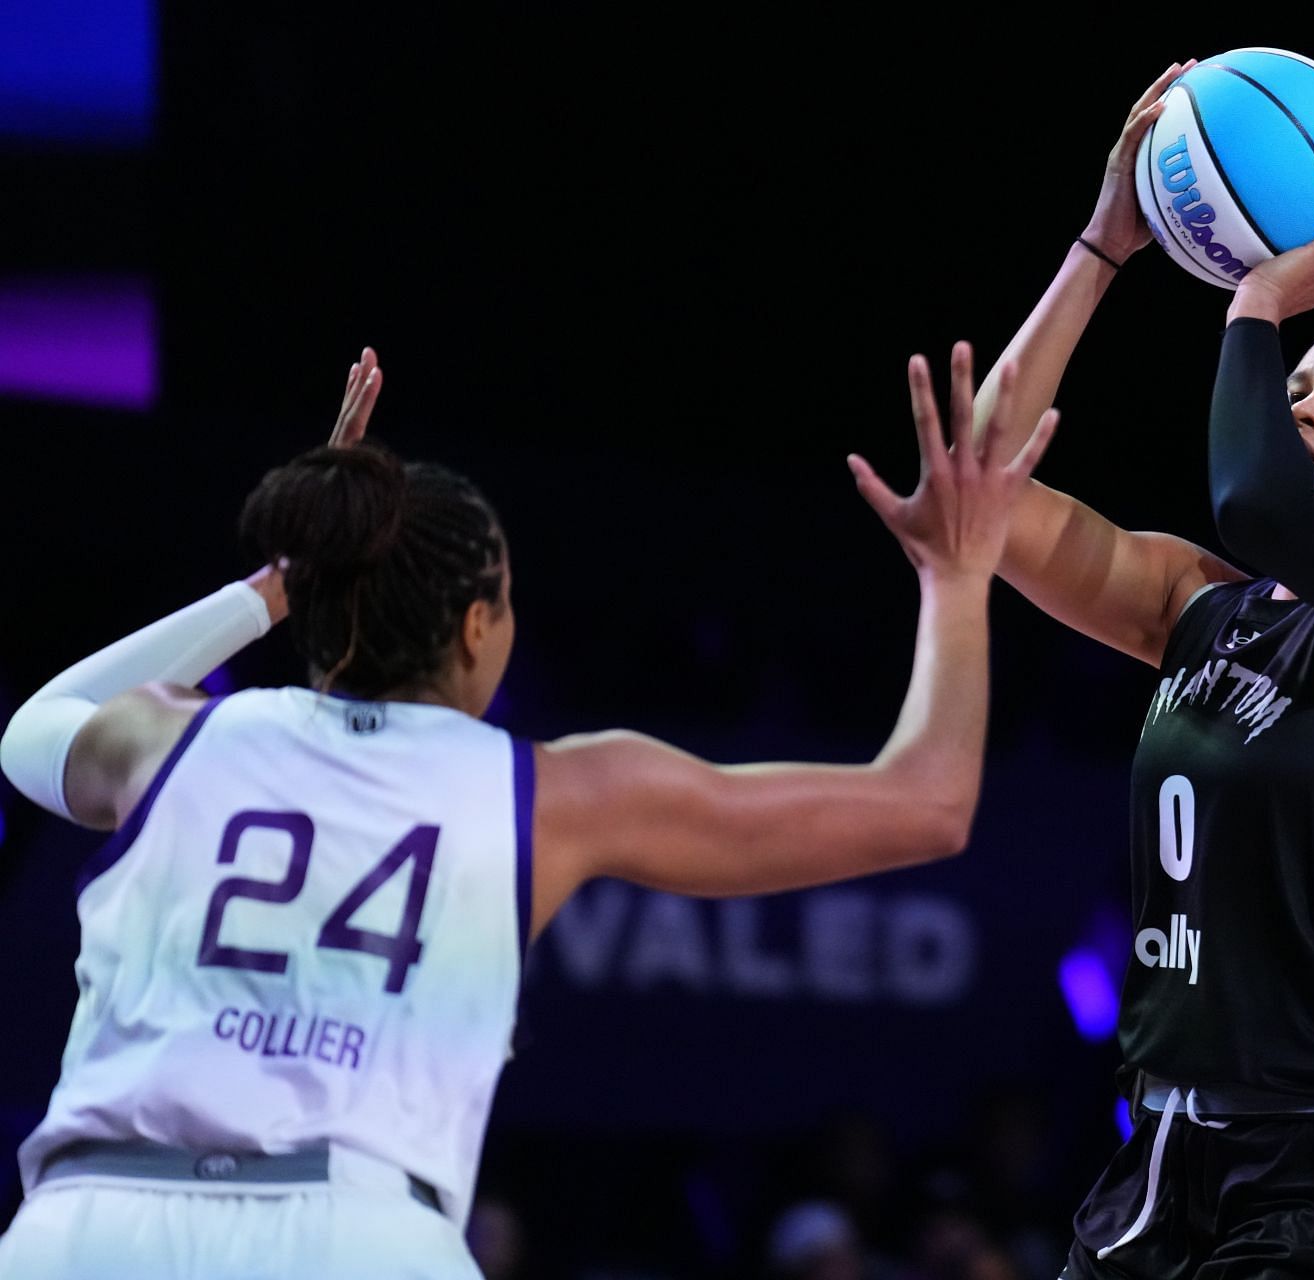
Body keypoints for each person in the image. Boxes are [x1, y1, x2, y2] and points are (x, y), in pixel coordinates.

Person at [0, 342, 1056, 1279]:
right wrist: (957, 578)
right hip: (354, 1233)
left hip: (88, 1223)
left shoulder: (171, 735)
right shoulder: (548, 788)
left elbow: (39, 721)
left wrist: (271, 589)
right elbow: (926, 803)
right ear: (473, 627)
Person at [962, 63, 1314, 1277]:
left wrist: (1258, 303)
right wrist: (1104, 243)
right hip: (1162, 1144)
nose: (1305, 409)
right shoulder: (1201, 603)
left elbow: (1255, 497)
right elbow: (979, 486)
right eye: (1297, 389)